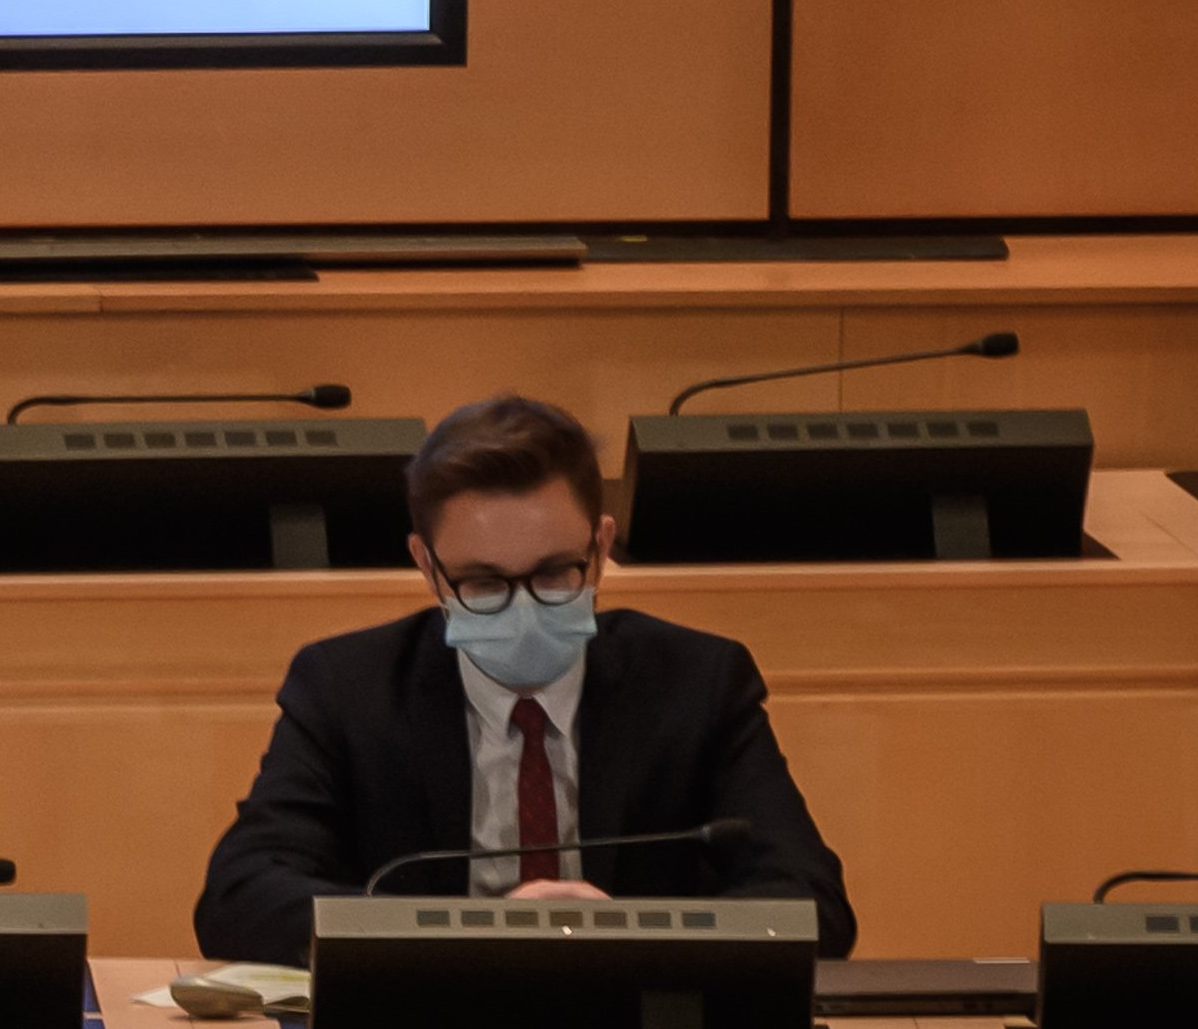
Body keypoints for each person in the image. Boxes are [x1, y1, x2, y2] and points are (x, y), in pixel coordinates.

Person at [193, 393, 853, 965]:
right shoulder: (348, 687)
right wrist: (473, 936)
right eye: (483, 582)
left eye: (552, 573)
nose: (524, 605)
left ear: (599, 550)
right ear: (427, 567)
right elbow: (240, 893)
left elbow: (812, 903)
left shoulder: (698, 682)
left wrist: (628, 933)